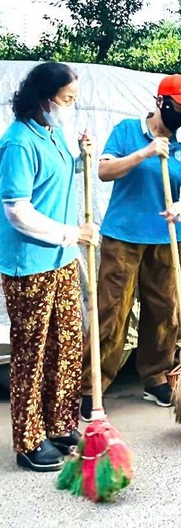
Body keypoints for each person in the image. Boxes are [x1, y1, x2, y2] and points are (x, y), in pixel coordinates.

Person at [80, 74, 181, 419]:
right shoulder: (126, 131)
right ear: (161, 102)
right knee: (111, 311)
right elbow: (104, 171)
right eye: (180, 106)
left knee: (165, 311)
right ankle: (94, 386)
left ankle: (154, 376)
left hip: (167, 238)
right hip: (123, 238)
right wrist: (146, 152)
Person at [0, 61, 99, 471]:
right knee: (33, 353)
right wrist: (71, 233)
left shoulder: (53, 134)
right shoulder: (19, 143)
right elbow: (17, 210)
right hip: (30, 266)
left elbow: (55, 180)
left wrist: (82, 158)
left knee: (67, 346)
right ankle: (28, 441)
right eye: (67, 100)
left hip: (60, 261)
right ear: (44, 100)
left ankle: (60, 425)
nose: (71, 107)